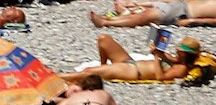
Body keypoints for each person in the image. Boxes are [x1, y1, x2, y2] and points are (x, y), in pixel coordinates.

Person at [65, 34, 201, 84]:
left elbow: (161, 77)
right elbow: (163, 55)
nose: (176, 52)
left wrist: (156, 57)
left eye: (179, 52)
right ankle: (103, 71)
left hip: (133, 71)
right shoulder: (176, 60)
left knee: (89, 71)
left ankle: (58, 77)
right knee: (103, 39)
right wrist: (157, 49)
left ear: (186, 55)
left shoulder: (181, 68)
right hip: (129, 62)